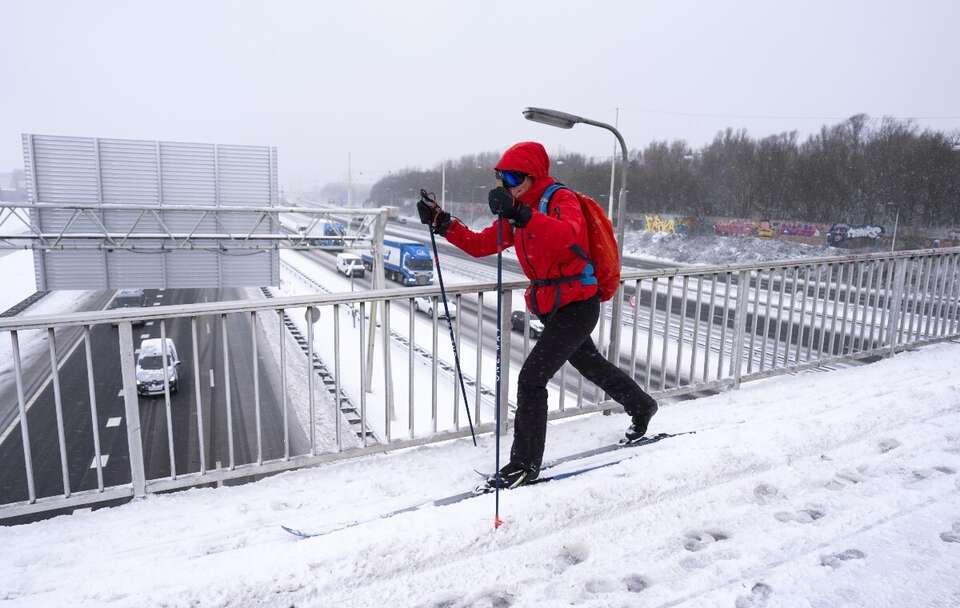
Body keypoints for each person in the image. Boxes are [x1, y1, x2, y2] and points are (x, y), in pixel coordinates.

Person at [418, 141, 657, 489]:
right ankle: (642, 404)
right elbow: (481, 244)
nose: (507, 183)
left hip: (579, 303)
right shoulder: (519, 210)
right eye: (502, 177)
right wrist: (442, 222)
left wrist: (522, 214)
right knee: (589, 363)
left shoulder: (560, 200)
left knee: (532, 378)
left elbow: (568, 235)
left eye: (514, 176)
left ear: (533, 175)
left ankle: (525, 464)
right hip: (552, 305)